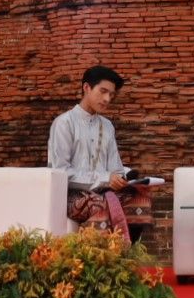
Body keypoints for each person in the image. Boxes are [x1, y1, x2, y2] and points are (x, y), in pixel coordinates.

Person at [48, 65, 155, 242]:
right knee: (101, 204)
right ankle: (101, 262)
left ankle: (124, 257)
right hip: (71, 194)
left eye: (111, 95)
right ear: (86, 88)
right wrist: (105, 178)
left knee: (140, 200)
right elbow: (61, 173)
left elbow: (116, 168)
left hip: (105, 191)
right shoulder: (64, 124)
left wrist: (126, 180)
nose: (107, 99)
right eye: (103, 91)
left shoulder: (107, 126)